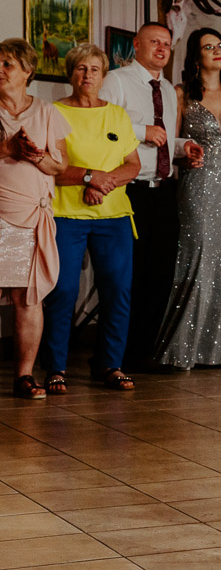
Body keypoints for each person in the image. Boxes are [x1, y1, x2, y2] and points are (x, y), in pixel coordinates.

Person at [154, 28, 221, 370]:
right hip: (198, 183)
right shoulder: (181, 93)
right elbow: (170, 144)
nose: (217, 50)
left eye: (220, 45)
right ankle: (183, 348)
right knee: (198, 253)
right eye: (208, 47)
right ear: (195, 57)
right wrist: (182, 159)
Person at [99, 22, 203, 373]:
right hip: (129, 191)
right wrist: (141, 131)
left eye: (166, 45)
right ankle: (112, 356)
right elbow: (101, 127)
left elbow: (164, 140)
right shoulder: (117, 81)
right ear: (137, 45)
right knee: (128, 276)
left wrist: (183, 148)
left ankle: (143, 353)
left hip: (164, 190)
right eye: (154, 42)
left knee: (159, 275)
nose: (161, 49)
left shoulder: (169, 91)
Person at [43, 44, 141, 393]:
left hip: (113, 217)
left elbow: (133, 164)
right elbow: (50, 167)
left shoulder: (117, 114)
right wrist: (89, 177)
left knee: (117, 290)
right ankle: (55, 368)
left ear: (103, 76)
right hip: (65, 216)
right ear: (70, 74)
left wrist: (103, 181)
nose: (87, 75)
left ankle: (110, 364)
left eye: (94, 69)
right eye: (80, 68)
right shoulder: (52, 112)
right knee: (62, 291)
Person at [0, 38, 69, 399]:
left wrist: (37, 156)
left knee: (27, 297)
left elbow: (61, 164)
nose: (0, 70)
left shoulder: (46, 111)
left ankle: (24, 376)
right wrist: (7, 148)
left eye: (7, 64)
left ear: (27, 71)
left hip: (29, 215)